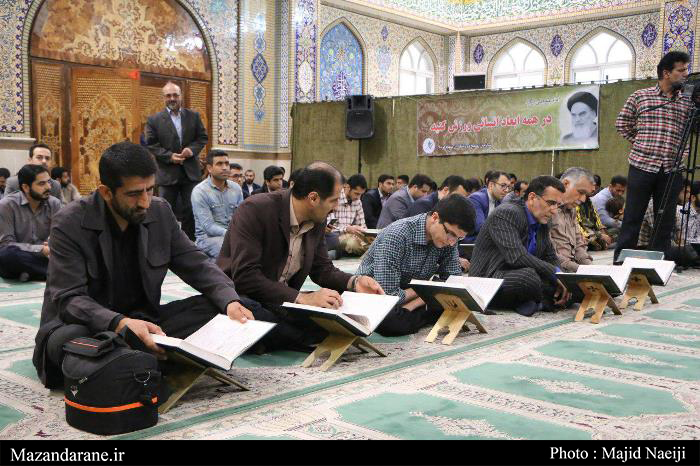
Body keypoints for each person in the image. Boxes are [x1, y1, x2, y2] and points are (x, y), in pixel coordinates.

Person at [32, 141, 267, 389]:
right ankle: (145, 360)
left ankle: (135, 362)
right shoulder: (70, 222)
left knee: (228, 308)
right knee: (69, 341)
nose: (145, 201)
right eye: (134, 194)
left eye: (150, 190)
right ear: (106, 192)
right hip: (90, 326)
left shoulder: (159, 212)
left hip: (146, 323)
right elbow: (69, 298)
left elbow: (197, 264)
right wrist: (120, 323)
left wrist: (230, 301)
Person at [217, 162, 384, 350]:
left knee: (337, 317)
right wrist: (302, 298)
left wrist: (355, 282)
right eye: (333, 200)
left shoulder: (317, 219)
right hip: (241, 296)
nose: (336, 207)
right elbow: (245, 276)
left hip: (281, 300)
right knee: (261, 316)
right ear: (313, 198)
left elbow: (322, 270)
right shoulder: (256, 209)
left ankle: (276, 337)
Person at [356, 195, 476, 335]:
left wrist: (416, 301)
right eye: (451, 234)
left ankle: (413, 313)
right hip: (376, 295)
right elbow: (388, 295)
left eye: (458, 238)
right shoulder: (397, 235)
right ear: (435, 217)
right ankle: (422, 314)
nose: (452, 242)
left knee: (454, 302)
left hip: (410, 295)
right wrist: (426, 290)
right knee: (391, 322)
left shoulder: (449, 240)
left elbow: (452, 282)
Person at [614, 51, 694, 261]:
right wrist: (641, 143)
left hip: (672, 169)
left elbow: (691, 130)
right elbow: (622, 124)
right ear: (666, 73)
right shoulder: (640, 96)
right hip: (642, 166)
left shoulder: (687, 102)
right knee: (633, 216)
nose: (686, 74)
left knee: (665, 220)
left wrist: (683, 152)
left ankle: (660, 263)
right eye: (681, 70)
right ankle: (620, 262)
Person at [469, 176, 569, 317]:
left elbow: (550, 256)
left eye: (558, 205)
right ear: (532, 197)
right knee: (529, 278)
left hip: (518, 273)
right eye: (551, 203)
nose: (554, 210)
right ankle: (543, 301)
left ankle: (535, 302)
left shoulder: (542, 220)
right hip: (490, 279)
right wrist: (553, 272)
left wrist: (561, 277)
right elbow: (517, 257)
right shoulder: (507, 213)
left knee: (571, 283)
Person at [145, 82, 208, 241]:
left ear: (181, 96)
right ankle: (165, 243)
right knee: (165, 211)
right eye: (168, 95)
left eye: (175, 95)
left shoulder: (193, 116)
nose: (172, 98)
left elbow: (202, 138)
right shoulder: (154, 120)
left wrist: (191, 150)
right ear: (163, 98)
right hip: (167, 174)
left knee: (191, 211)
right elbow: (151, 145)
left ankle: (188, 244)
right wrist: (169, 156)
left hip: (190, 173)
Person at [0, 165, 61, 281]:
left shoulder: (54, 204)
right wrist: (40, 249)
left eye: (49, 182)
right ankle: (53, 272)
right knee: (6, 255)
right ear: (26, 187)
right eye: (42, 184)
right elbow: (6, 244)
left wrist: (52, 245)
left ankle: (32, 273)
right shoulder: (7, 205)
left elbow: (59, 237)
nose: (48, 187)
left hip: (47, 257)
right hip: (21, 257)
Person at [191, 150, 243, 259]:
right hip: (207, 238)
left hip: (232, 235)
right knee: (233, 250)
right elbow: (209, 227)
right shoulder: (200, 191)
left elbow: (241, 218)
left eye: (227, 164)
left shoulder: (236, 188)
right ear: (209, 168)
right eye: (220, 164)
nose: (225, 168)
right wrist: (233, 234)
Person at [549, 168, 595, 272]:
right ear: (565, 184)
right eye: (581, 192)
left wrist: (590, 267)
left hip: (572, 268)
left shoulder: (572, 209)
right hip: (556, 270)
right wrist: (580, 269)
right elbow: (549, 254)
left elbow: (578, 243)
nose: (583, 199)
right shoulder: (548, 209)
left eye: (585, 195)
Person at [326, 174, 369, 257]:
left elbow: (362, 225)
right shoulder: (335, 198)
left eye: (361, 194)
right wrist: (347, 229)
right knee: (352, 243)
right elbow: (329, 227)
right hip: (334, 236)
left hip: (351, 236)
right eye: (356, 193)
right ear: (348, 187)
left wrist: (366, 234)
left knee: (373, 240)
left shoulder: (358, 201)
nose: (359, 197)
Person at [463, 171, 511, 243]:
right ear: (491, 185)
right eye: (503, 185)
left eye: (508, 187)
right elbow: (480, 228)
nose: (506, 190)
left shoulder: (499, 201)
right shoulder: (476, 199)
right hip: (471, 244)